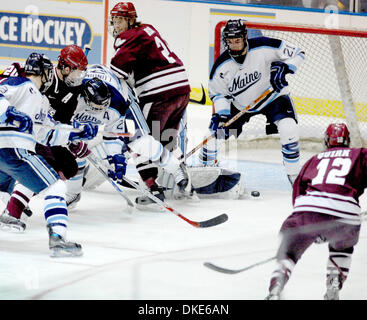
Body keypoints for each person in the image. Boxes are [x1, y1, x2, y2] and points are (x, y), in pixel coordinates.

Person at [0, 52, 97, 256]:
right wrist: (8, 111)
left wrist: (78, 133)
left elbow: (48, 133)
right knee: (55, 186)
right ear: (44, 73)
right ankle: (58, 239)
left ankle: (11, 213)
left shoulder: (42, 102)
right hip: (15, 150)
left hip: (10, 154)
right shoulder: (21, 84)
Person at [265, 123, 366, 300]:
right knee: (342, 248)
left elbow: (297, 196)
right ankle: (334, 280)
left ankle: (276, 287)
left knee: (289, 252)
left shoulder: (314, 160)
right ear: (348, 141)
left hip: (309, 210)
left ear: (326, 141)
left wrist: (312, 229)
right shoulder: (360, 154)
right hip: (347, 214)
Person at [200, 19, 305, 185]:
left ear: (244, 37)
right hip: (241, 106)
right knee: (212, 136)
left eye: (238, 40)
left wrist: (285, 68)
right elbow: (219, 94)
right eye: (230, 41)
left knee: (288, 127)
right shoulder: (221, 66)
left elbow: (298, 53)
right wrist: (221, 115)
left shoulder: (264, 46)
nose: (234, 45)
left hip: (273, 98)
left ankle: (294, 176)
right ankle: (206, 174)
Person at [108, 1, 193, 207]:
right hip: (181, 90)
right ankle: (185, 184)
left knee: (139, 140)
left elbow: (117, 71)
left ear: (130, 20)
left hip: (158, 94)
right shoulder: (148, 29)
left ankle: (152, 189)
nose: (117, 25)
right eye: (115, 20)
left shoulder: (129, 37)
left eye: (120, 20)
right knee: (165, 140)